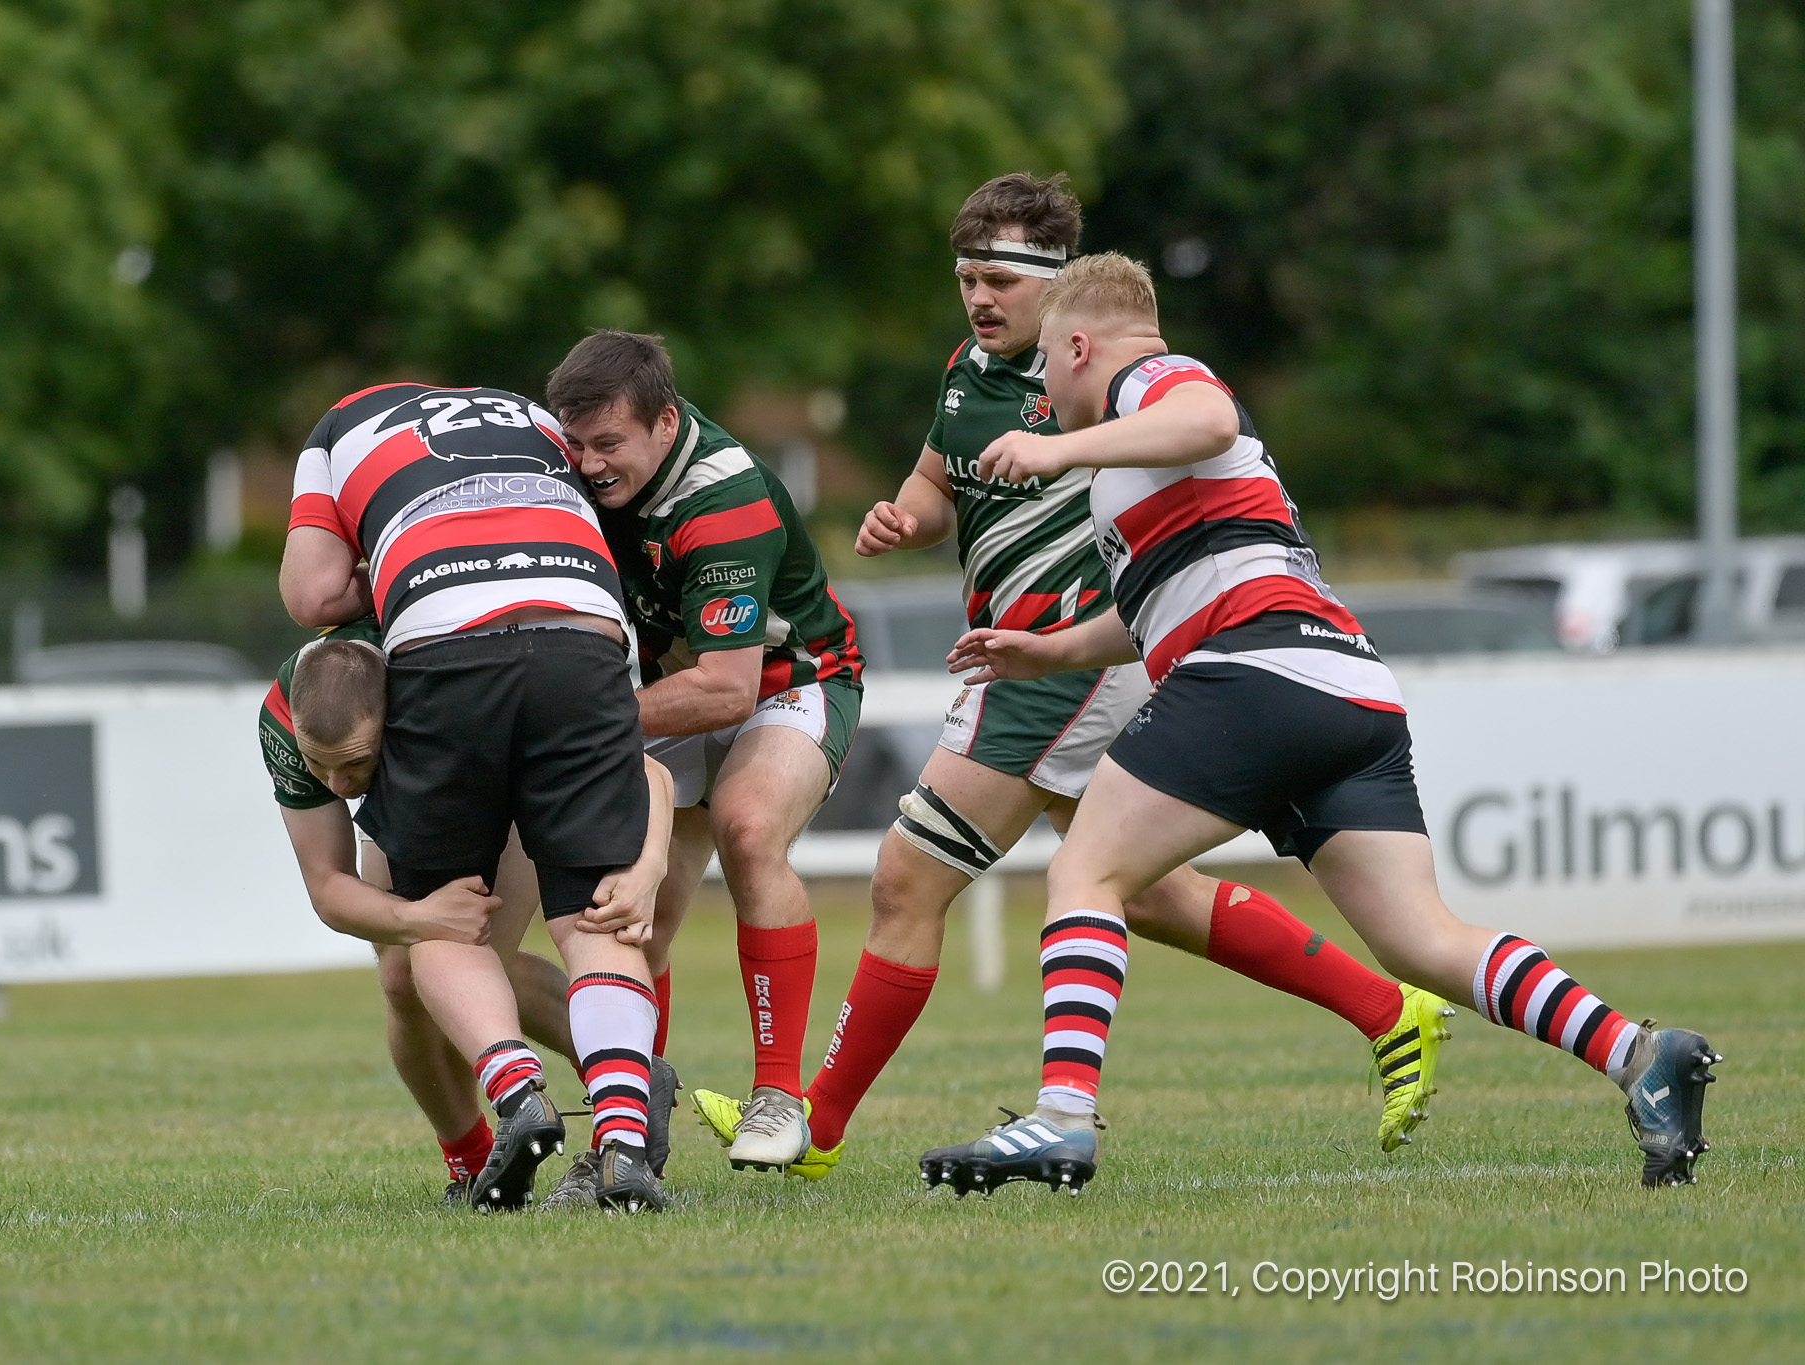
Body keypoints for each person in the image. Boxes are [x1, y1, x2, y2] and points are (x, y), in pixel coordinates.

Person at [692, 173, 1451, 1184]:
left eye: (999, 278)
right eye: (965, 278)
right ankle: (1387, 1009)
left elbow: (1197, 429)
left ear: (1060, 293)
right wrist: (904, 516)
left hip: (1063, 665)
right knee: (1141, 892)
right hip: (1027, 658)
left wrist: (1070, 456)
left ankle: (812, 1127)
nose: (978, 298)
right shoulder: (966, 370)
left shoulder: (1097, 385)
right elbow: (934, 478)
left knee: (906, 876)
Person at [918, 252, 1721, 1196]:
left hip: (1253, 675)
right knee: (1423, 940)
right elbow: (1156, 609)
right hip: (1346, 691)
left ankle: (1061, 1120)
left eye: (1050, 363)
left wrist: (1057, 451)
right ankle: (1639, 1055)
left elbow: (1208, 412)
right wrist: (1048, 651)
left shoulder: (1149, 383)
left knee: (1088, 869)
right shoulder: (1133, 463)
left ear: (1081, 344)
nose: (1044, 391)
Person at [280, 382, 678, 1213]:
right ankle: (625, 1142)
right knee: (593, 913)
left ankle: (519, 1094)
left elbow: (312, 598)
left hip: (442, 637)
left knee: (442, 912)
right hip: (583, 630)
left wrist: (395, 558)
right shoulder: (538, 415)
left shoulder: (339, 425)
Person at [546, 332, 865, 1174]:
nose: (588, 464)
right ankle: (632, 1126)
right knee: (628, 916)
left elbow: (727, 689)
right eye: (574, 442)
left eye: (608, 444)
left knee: (749, 826)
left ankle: (777, 1099)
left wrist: (587, 720)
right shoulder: (568, 466)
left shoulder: (723, 498)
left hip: (791, 680)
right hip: (673, 687)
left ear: (663, 422)